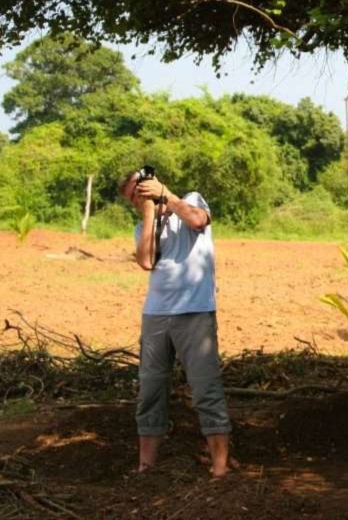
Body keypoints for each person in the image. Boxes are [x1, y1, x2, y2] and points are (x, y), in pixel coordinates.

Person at [119, 168, 233, 477]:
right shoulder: (142, 225)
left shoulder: (191, 201)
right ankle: (146, 466)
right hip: (155, 314)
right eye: (133, 196)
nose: (138, 198)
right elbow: (145, 261)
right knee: (151, 389)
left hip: (195, 311)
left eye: (140, 190)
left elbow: (198, 221)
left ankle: (220, 469)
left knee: (205, 388)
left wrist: (166, 196)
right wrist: (148, 215)